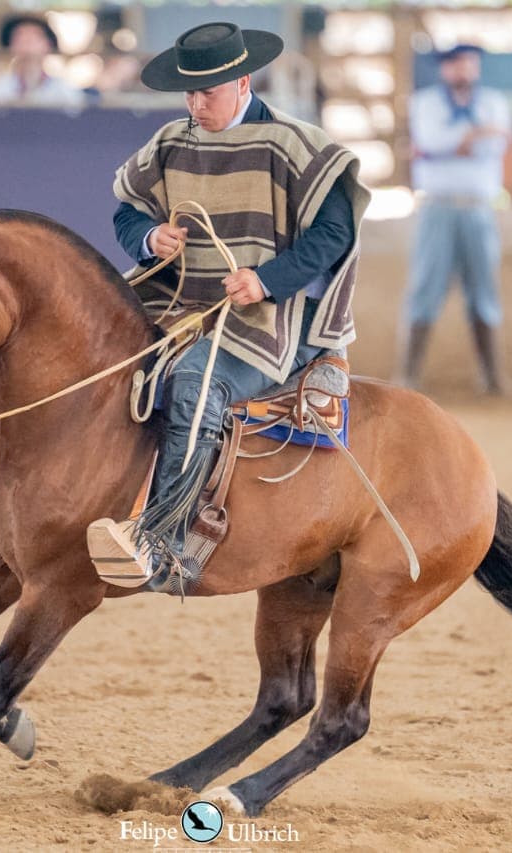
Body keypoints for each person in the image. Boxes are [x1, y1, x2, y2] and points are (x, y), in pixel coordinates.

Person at [86, 22, 369, 589]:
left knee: (197, 379)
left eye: (207, 93)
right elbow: (127, 209)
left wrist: (267, 281)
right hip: (181, 300)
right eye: (189, 93)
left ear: (242, 82)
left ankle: (164, 538)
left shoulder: (298, 145)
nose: (196, 105)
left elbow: (334, 234)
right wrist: (149, 237)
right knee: (99, 353)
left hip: (273, 317)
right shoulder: (172, 141)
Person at [402, 44, 512, 395]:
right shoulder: (425, 103)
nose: (463, 70)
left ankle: (493, 378)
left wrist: (454, 143)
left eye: (468, 63)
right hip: (438, 206)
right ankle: (408, 374)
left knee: (485, 290)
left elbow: (489, 146)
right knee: (425, 286)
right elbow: (432, 141)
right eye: (457, 64)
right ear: (445, 69)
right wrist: (473, 136)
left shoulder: (494, 102)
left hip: (478, 206)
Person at [0, 15, 84, 108]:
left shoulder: (63, 91)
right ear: (11, 46)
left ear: (48, 45)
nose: (27, 45)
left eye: (34, 39)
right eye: (20, 39)